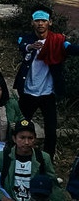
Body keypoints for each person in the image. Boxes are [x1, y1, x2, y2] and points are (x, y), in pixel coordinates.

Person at [14, 9, 79, 157]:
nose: (40, 23)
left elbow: (70, 48)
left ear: (50, 22)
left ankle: (47, 162)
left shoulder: (58, 40)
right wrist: (31, 47)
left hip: (47, 93)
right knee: (20, 126)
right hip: (28, 92)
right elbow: (22, 46)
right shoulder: (25, 39)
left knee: (51, 131)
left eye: (43, 20)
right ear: (32, 22)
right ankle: (16, 156)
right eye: (37, 20)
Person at [0, 120, 64, 201]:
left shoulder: (43, 157)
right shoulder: (2, 157)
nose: (26, 142)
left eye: (30, 138)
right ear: (14, 139)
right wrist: (2, 197)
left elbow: (53, 183)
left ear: (35, 139)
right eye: (22, 138)